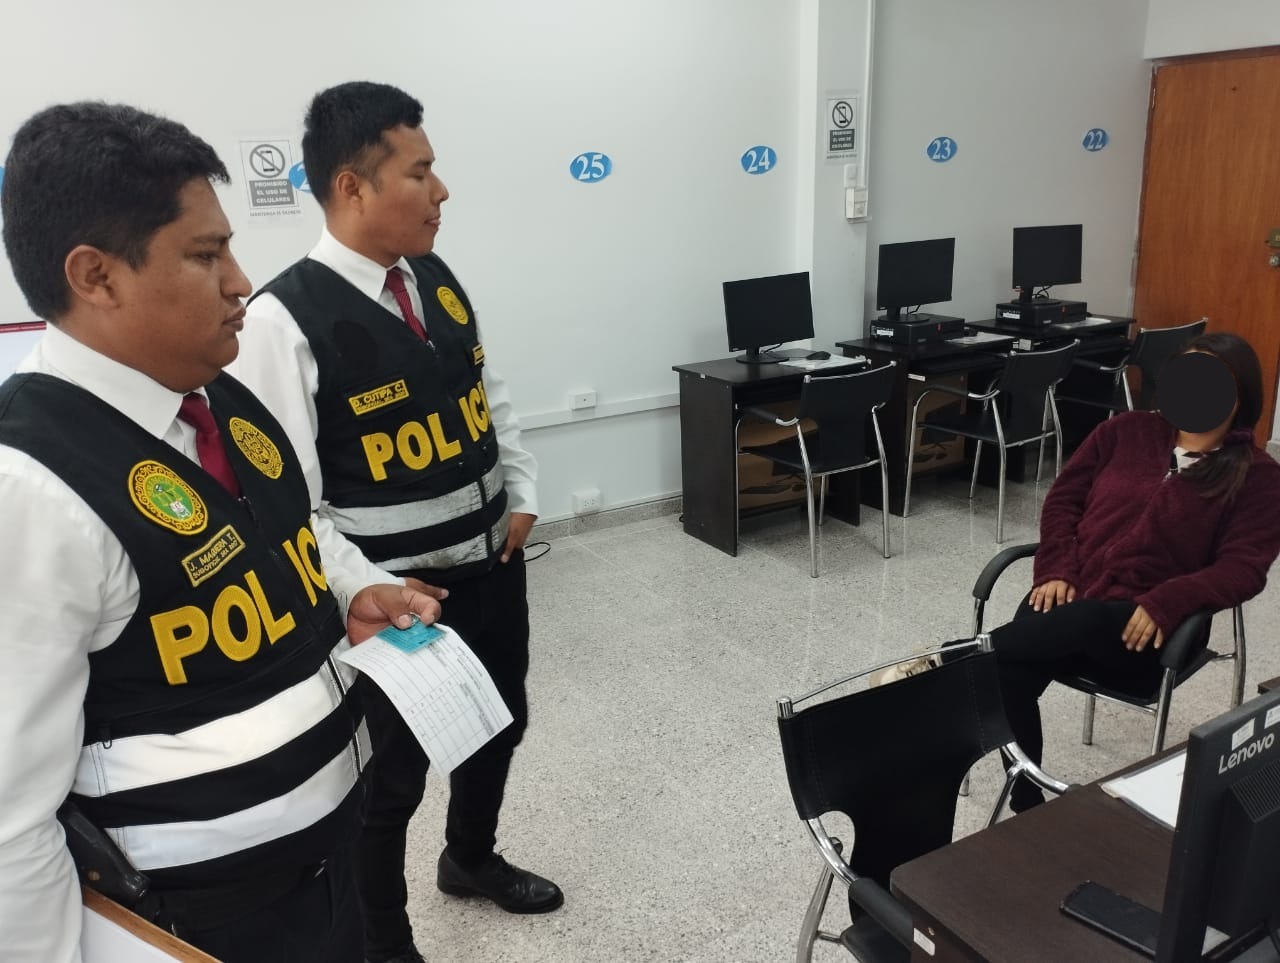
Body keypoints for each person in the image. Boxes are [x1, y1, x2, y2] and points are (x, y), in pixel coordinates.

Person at [0, 102, 445, 963]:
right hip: (199, 926)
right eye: (206, 256)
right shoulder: (30, 486)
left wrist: (348, 588)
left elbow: (286, 530)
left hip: (327, 876)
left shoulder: (217, 396)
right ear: (96, 276)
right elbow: (10, 817)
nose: (242, 281)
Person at [230, 81, 559, 963]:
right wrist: (367, 585)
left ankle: (471, 856)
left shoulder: (436, 279)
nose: (440, 191)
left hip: (492, 570)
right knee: (390, 781)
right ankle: (386, 940)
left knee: (499, 722)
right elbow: (287, 506)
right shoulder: (282, 321)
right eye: (419, 173)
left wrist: (521, 490)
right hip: (397, 607)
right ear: (352, 187)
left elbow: (487, 394)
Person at [985, 331, 1280, 812]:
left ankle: (953, 661)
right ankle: (1027, 799)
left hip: (1149, 627)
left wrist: (1169, 601)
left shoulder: (1258, 476)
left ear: (1239, 396)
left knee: (1050, 632)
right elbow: (1063, 502)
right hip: (1073, 595)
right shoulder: (1124, 432)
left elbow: (1243, 569)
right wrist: (1056, 567)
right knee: (1006, 668)